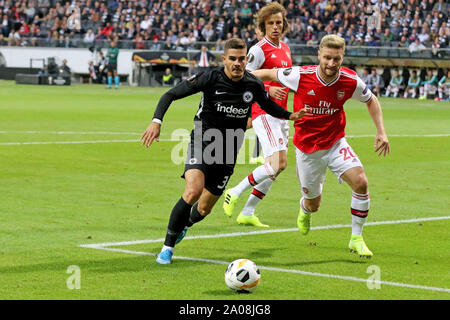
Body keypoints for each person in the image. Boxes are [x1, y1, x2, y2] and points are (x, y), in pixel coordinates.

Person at [140, 38, 311, 265]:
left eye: (242, 59)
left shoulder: (253, 85)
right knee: (193, 191)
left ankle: (185, 226)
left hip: (229, 148)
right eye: (233, 59)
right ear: (224, 60)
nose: (238, 63)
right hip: (203, 140)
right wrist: (156, 121)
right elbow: (170, 95)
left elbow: (268, 105)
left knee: (204, 208)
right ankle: (167, 248)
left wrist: (290, 115)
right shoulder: (209, 78)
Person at [251, 35, 390, 258]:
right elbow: (265, 73)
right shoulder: (299, 75)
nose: (331, 64)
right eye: (327, 58)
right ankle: (305, 209)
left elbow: (371, 100)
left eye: (336, 59)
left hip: (336, 143)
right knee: (313, 204)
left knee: (361, 182)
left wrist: (381, 131)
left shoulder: (350, 81)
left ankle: (356, 238)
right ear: (319, 55)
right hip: (308, 151)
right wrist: (240, 77)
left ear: (342, 57)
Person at [223, 2, 293, 228]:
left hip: (280, 113)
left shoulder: (285, 48)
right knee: (275, 164)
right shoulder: (258, 49)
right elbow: (245, 78)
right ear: (263, 25)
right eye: (271, 23)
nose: (275, 27)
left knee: (279, 166)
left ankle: (248, 211)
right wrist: (267, 89)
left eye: (279, 23)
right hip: (263, 111)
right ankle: (235, 191)